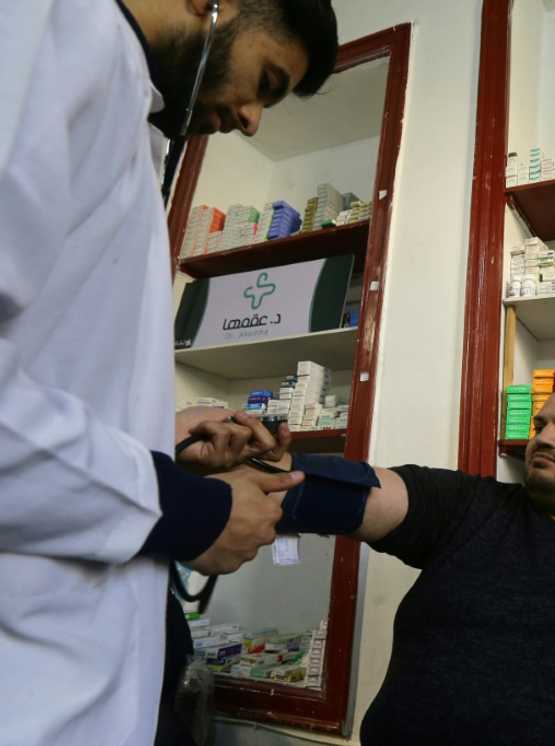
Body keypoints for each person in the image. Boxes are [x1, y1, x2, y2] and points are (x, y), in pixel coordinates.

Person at [0, 1, 337, 744]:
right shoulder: (49, 32)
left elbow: (44, 372)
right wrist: (185, 509)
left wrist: (165, 440)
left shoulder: (131, 116)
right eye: (265, 81)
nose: (252, 120)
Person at [253, 383, 555, 746]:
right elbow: (366, 494)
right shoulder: (470, 508)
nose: (544, 437)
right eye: (540, 425)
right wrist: (264, 474)